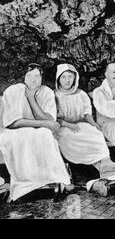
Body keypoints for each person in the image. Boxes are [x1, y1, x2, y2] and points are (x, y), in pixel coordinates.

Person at [54, 63, 115, 196]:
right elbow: (54, 118)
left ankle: (105, 162)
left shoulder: (81, 94)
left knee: (94, 133)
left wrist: (94, 124)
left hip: (80, 124)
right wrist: (69, 125)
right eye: (64, 77)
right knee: (70, 137)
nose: (67, 80)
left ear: (74, 78)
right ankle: (101, 168)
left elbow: (87, 114)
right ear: (58, 79)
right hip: (63, 127)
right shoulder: (55, 95)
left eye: (70, 77)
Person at [0, 63, 71, 202]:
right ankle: (26, 183)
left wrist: (32, 99)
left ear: (42, 78)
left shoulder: (47, 92)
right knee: (22, 137)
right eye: (30, 76)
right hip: (13, 131)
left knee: (44, 134)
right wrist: (44, 124)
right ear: (23, 77)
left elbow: (50, 120)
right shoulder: (14, 90)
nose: (34, 80)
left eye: (37, 76)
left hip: (37, 131)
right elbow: (12, 123)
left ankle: (49, 180)